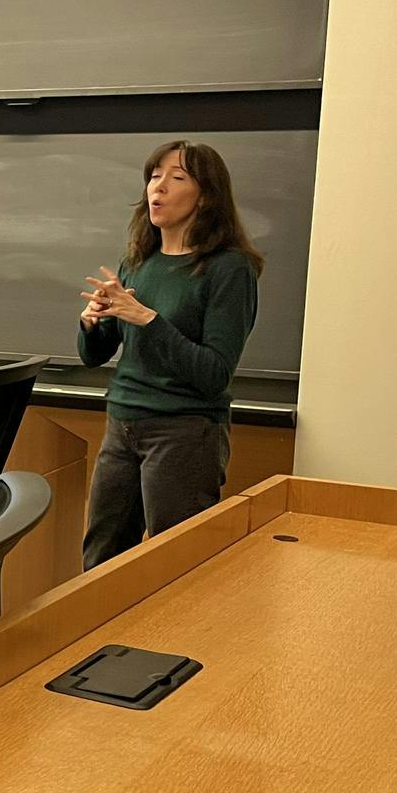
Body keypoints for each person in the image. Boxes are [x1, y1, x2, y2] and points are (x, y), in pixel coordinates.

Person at [77, 141, 263, 570]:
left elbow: (214, 373)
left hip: (184, 433)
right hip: (122, 423)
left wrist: (148, 319)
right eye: (154, 176)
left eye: (176, 177)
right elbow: (94, 355)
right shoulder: (137, 261)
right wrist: (91, 324)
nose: (158, 187)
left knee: (175, 565)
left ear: (207, 196)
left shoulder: (229, 269)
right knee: (101, 558)